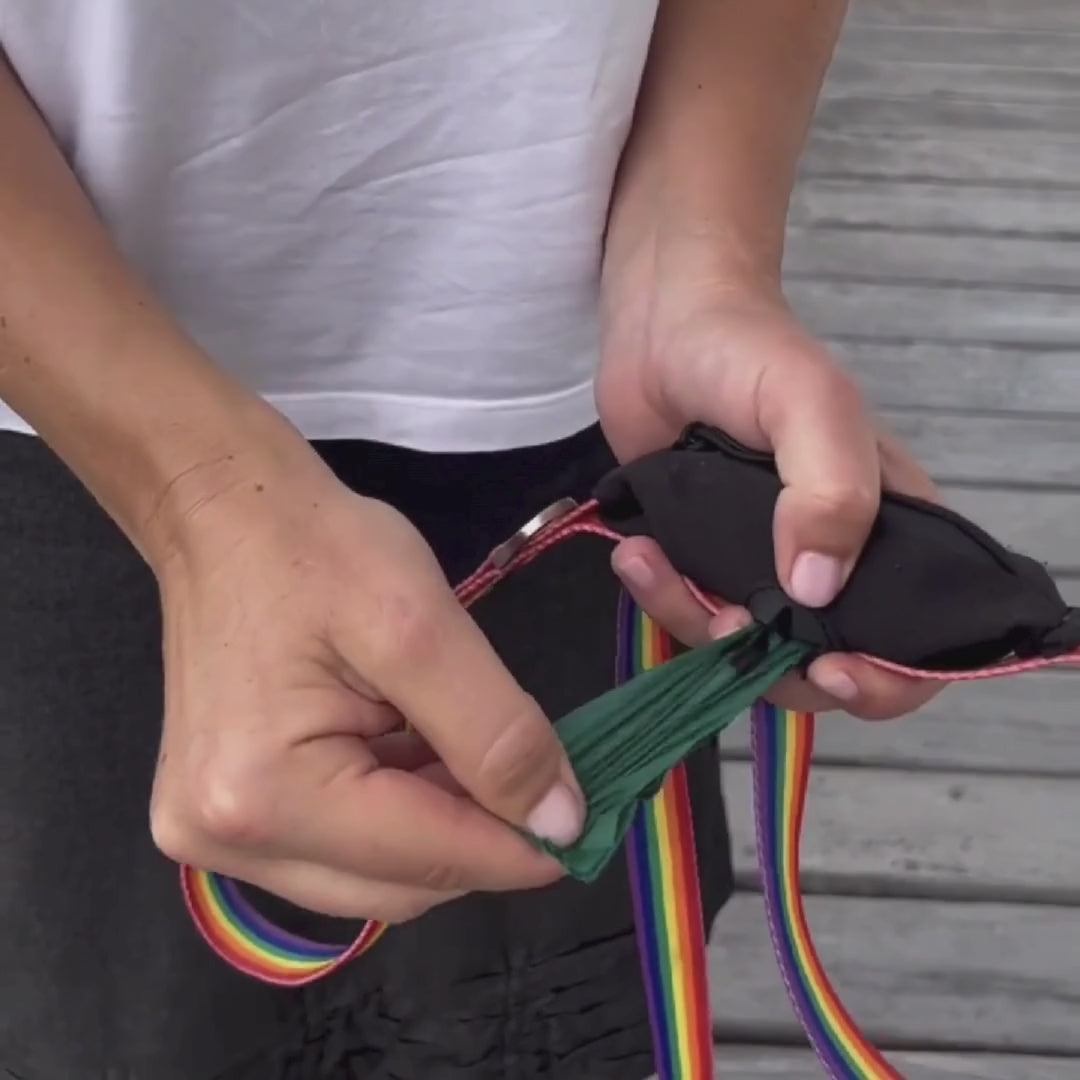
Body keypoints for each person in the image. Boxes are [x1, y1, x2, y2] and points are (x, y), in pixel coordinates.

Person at [0, 2, 943, 1077]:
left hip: (590, 431)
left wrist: (696, 251)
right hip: (53, 414)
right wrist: (190, 492)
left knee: (533, 1024)